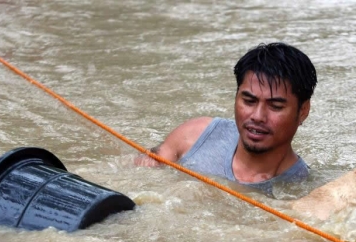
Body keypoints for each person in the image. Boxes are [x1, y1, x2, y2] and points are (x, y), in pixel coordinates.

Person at [134, 42, 318, 195]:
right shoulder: (195, 135)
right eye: (249, 100)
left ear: (303, 110)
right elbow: (139, 171)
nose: (257, 116)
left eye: (275, 106)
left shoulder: (300, 191)